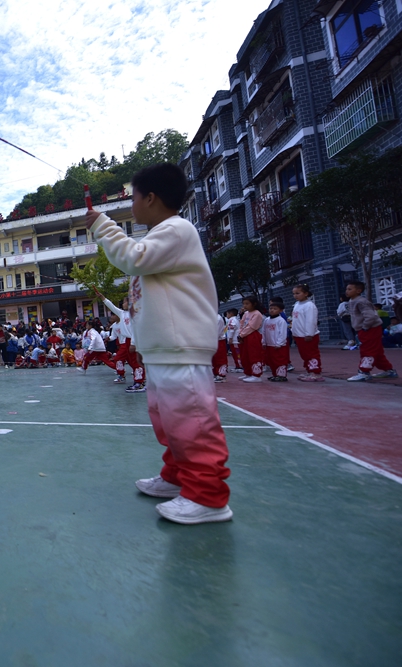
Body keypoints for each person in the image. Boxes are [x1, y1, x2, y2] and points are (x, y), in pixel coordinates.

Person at [88, 162, 231, 525]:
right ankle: (178, 477)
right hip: (161, 349)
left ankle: (209, 498)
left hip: (180, 347)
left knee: (191, 421)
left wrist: (103, 226)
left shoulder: (176, 230)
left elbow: (132, 258)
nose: (131, 204)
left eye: (133, 197)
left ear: (150, 198)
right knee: (168, 420)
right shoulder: (163, 235)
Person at [345, 281, 398, 381]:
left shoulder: (361, 302)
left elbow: (371, 316)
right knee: (376, 351)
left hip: (370, 329)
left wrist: (365, 327)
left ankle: (364, 372)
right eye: (347, 289)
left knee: (367, 350)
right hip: (365, 329)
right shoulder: (352, 301)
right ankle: (389, 370)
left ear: (358, 291)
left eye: (350, 289)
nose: (347, 291)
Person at [291, 284, 323, 381]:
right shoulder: (296, 305)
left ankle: (316, 373)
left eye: (298, 293)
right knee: (304, 354)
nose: (295, 295)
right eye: (294, 293)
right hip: (299, 335)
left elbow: (311, 321)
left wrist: (309, 334)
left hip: (308, 336)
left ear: (306, 293)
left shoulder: (309, 305)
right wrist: (294, 332)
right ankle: (309, 370)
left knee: (311, 354)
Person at [238, 297, 265, 383]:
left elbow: (252, 326)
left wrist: (242, 334)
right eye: (244, 304)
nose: (245, 306)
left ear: (254, 304)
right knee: (245, 355)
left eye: (247, 303)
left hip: (252, 335)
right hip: (244, 335)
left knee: (254, 354)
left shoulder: (257, 314)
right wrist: (240, 334)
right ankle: (248, 373)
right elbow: (242, 323)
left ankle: (256, 375)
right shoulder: (246, 313)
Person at [263, 303, 289, 382]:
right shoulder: (266, 320)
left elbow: (283, 333)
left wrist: (279, 343)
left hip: (278, 345)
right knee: (272, 361)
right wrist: (264, 342)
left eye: (275, 309)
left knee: (280, 360)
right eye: (271, 308)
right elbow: (264, 332)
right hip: (269, 344)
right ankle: (275, 374)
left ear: (280, 310)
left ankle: (281, 375)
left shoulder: (281, 321)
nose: (272, 310)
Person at [212, 313, 229, 383]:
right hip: (213, 340)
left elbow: (216, 332)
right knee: (214, 359)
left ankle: (221, 375)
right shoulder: (211, 316)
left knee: (220, 358)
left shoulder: (217, 318)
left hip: (219, 340)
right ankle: (216, 374)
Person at [225, 308, 242, 372]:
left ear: (231, 314)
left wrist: (230, 338)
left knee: (237, 354)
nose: (226, 315)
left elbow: (231, 330)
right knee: (235, 354)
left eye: (227, 314)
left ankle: (239, 366)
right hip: (235, 340)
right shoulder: (235, 319)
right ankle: (238, 366)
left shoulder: (232, 320)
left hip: (235, 341)